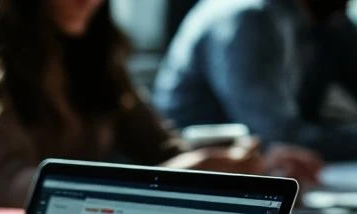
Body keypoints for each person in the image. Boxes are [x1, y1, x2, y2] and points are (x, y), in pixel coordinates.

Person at [0, 0, 321, 214]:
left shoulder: (89, 43)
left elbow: (162, 149)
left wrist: (243, 160)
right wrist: (167, 178)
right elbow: (8, 186)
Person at [153, 0, 357, 161]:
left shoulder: (329, 18)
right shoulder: (248, 16)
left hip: (272, 171)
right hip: (205, 178)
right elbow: (277, 135)